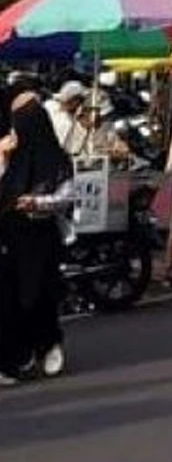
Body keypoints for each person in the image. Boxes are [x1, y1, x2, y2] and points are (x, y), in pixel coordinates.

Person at [0, 95, 75, 382]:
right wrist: (4, 157)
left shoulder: (56, 160)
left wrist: (38, 203)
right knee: (12, 299)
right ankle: (21, 352)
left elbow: (66, 196)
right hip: (11, 235)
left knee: (40, 294)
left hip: (41, 237)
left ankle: (49, 342)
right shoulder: (10, 157)